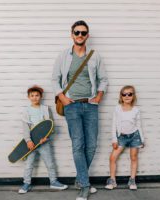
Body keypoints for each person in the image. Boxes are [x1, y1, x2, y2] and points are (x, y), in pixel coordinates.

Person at [52, 20, 108, 200]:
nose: (80, 36)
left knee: (91, 146)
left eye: (83, 33)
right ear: (72, 34)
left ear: (87, 36)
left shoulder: (95, 56)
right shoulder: (63, 56)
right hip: (72, 106)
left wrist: (98, 96)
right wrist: (62, 98)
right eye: (77, 32)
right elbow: (55, 79)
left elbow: (103, 79)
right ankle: (84, 185)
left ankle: (79, 178)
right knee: (78, 145)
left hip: (90, 105)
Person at [18, 85, 68, 194]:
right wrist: (28, 141)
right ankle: (26, 183)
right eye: (32, 95)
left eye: (37, 95)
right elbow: (25, 128)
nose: (35, 97)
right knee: (29, 165)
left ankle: (54, 182)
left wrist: (46, 137)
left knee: (50, 162)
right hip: (31, 144)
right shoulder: (26, 111)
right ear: (28, 97)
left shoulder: (45, 109)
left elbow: (51, 125)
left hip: (44, 142)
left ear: (41, 96)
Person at [105, 85, 145, 190]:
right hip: (121, 137)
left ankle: (132, 180)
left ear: (133, 96)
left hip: (134, 136)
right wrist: (114, 139)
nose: (127, 96)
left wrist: (142, 139)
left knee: (134, 157)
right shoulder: (117, 109)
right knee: (112, 157)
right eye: (124, 94)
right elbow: (114, 124)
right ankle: (112, 180)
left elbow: (138, 125)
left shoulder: (136, 110)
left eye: (129, 94)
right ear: (121, 96)